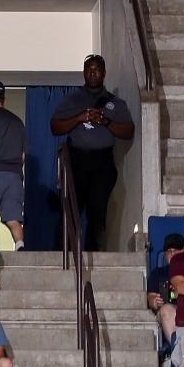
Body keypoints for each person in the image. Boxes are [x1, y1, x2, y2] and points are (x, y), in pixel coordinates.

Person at [47, 54, 133, 252]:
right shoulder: (73, 99)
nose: (92, 73)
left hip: (102, 163)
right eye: (89, 69)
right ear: (84, 73)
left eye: (96, 69)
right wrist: (78, 118)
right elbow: (55, 127)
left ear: (103, 73)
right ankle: (65, 255)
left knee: (98, 212)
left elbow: (129, 131)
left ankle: (94, 257)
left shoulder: (115, 102)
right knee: (71, 211)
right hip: (77, 161)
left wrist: (106, 121)